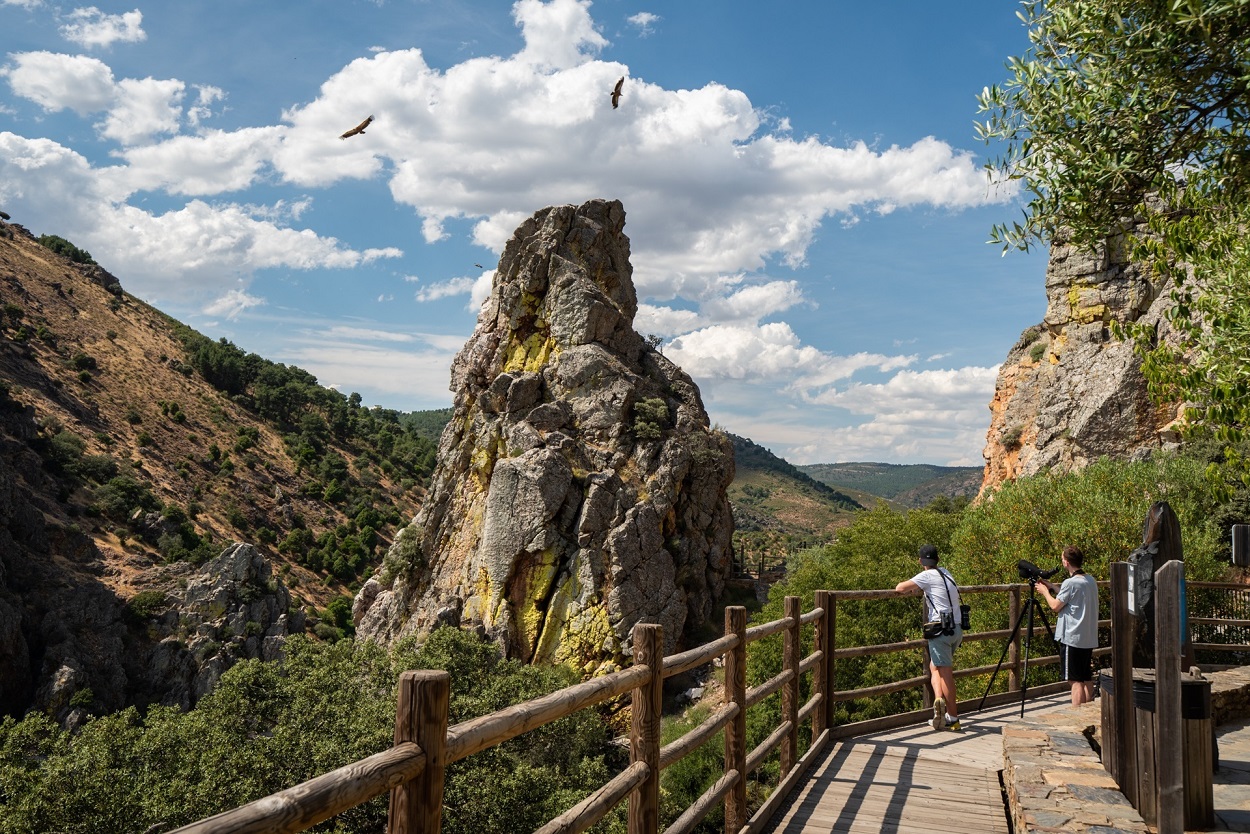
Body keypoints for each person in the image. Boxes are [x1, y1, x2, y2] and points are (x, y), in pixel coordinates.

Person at [895, 544, 963, 731]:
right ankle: (939, 704)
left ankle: (953, 718)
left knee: (946, 674)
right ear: (938, 560)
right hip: (956, 629)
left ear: (920, 561)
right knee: (935, 666)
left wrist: (915, 589)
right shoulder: (946, 572)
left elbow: (900, 588)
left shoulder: (925, 576)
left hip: (940, 631)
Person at [1037, 545, 1099, 705]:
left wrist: (1045, 592)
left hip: (1072, 638)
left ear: (1066, 562)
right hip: (1087, 637)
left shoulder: (1070, 583)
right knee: (1085, 677)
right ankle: (1087, 715)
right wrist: (1053, 587)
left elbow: (1055, 606)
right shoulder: (1090, 580)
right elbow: (1072, 598)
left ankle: (1077, 716)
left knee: (1074, 681)